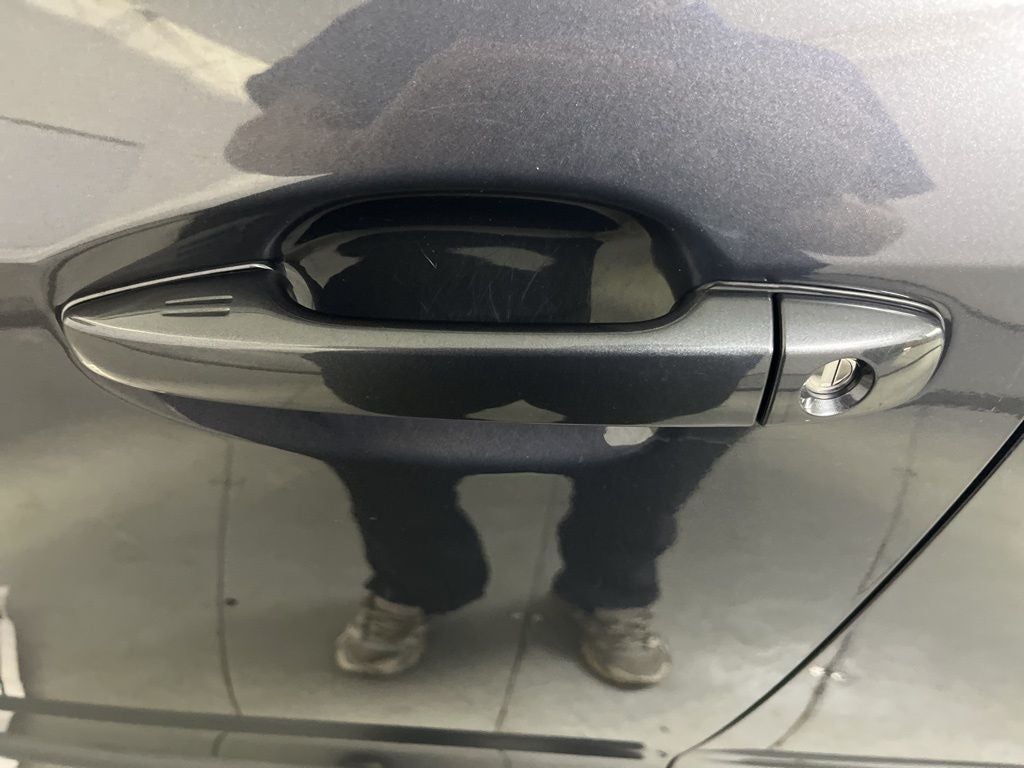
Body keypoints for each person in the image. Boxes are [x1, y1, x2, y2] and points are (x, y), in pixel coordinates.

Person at [212, 0, 932, 686]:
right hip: (414, 307)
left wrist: (769, 189)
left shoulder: (790, 67)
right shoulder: (413, 20)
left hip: (675, 329)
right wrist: (373, 147)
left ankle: (610, 593)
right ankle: (418, 584)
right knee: (391, 472)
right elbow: (255, 144)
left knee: (646, 486)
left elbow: (878, 228)